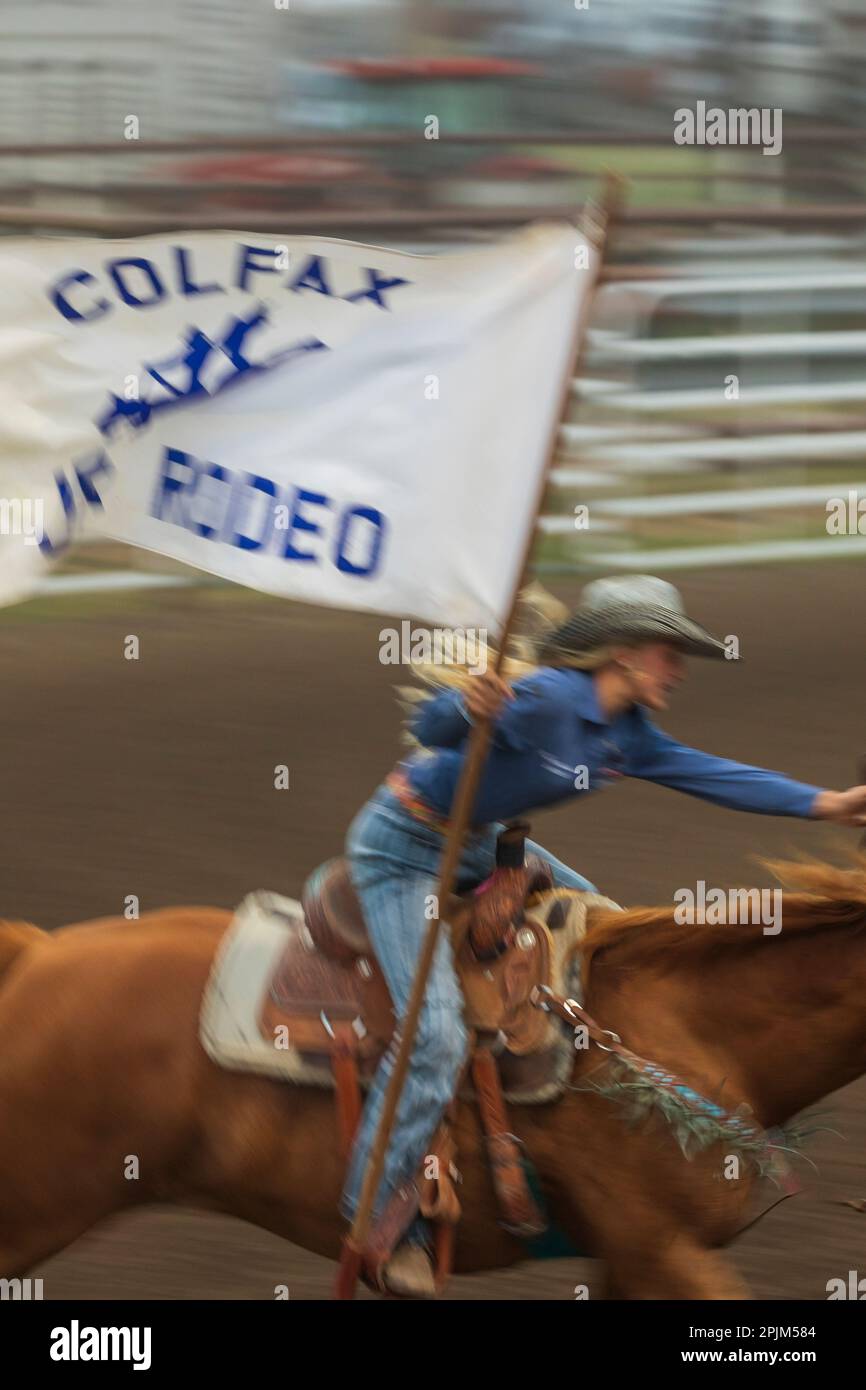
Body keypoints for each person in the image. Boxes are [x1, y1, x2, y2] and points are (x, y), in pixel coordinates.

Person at [341, 575, 866, 1297]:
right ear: (621, 654)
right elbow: (432, 732)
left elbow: (711, 774)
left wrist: (826, 803)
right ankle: (379, 1216)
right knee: (431, 1037)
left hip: (480, 841)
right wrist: (468, 705)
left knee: (604, 924)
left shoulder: (629, 733)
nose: (678, 669)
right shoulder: (551, 699)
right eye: (668, 652)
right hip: (403, 849)